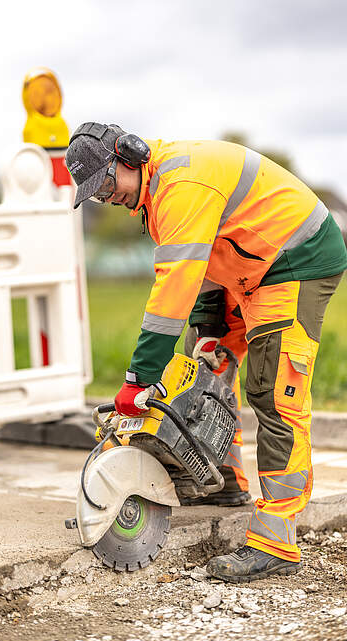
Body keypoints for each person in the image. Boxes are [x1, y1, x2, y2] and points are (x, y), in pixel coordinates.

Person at [65, 122, 347, 583]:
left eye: (109, 183)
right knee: (208, 362)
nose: (107, 196)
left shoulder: (180, 184)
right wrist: (209, 329)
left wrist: (137, 380)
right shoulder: (156, 196)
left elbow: (172, 290)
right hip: (248, 267)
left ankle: (276, 542)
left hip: (295, 261)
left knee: (274, 395)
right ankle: (226, 483)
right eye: (97, 193)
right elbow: (205, 265)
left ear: (130, 154)